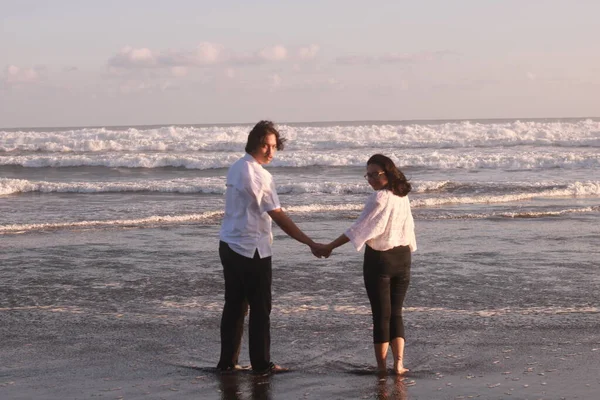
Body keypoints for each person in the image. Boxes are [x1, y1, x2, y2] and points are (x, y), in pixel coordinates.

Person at [217, 120, 326, 374]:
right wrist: (309, 242)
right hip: (250, 248)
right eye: (265, 145)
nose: (270, 151)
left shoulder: (236, 167)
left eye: (274, 146)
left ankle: (227, 362)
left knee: (234, 306)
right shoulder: (258, 174)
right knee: (259, 307)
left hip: (230, 243)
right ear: (254, 143)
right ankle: (261, 364)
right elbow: (277, 215)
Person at [323, 154, 416, 374]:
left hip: (380, 260)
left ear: (388, 173)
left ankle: (382, 367)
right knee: (396, 313)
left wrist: (329, 247)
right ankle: (399, 365)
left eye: (376, 174)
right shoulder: (402, 196)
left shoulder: (379, 198)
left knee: (381, 315)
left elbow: (359, 229)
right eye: (368, 175)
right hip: (403, 258)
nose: (371, 179)